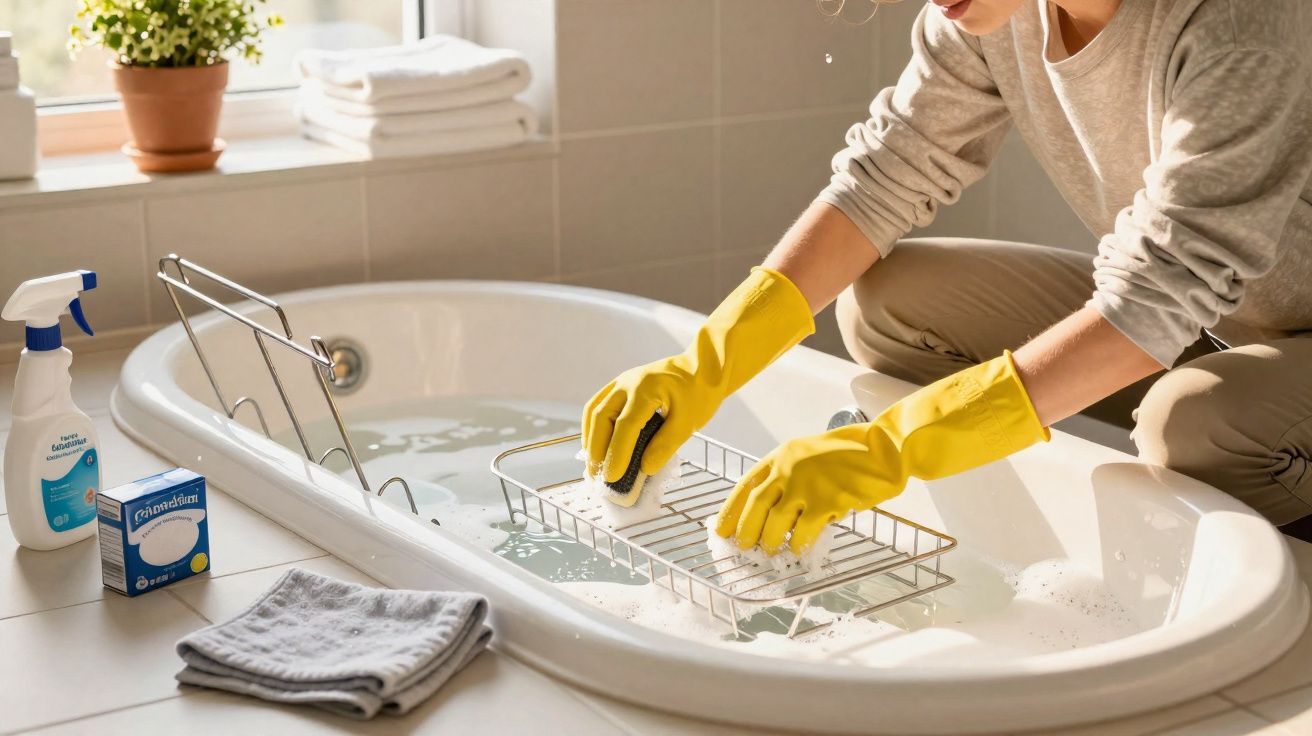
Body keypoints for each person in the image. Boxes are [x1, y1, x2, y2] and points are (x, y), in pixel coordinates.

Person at [582, 0, 1312, 551]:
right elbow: (884, 176)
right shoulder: (991, 14)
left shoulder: (1241, 23)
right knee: (887, 306)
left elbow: (1161, 287)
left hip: (1265, 331)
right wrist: (707, 363)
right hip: (1222, 317)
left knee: (1194, 424)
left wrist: (895, 448)